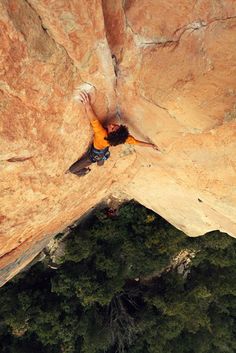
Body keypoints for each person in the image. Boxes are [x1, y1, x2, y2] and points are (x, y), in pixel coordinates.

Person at [68, 91, 160, 176]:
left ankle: (85, 171)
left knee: (72, 170)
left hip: (93, 155)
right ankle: (102, 159)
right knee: (100, 162)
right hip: (103, 151)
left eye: (112, 128)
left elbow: (93, 119)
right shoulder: (123, 138)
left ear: (109, 134)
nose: (112, 125)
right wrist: (151, 145)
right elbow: (137, 142)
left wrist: (87, 104)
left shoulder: (101, 134)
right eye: (116, 126)